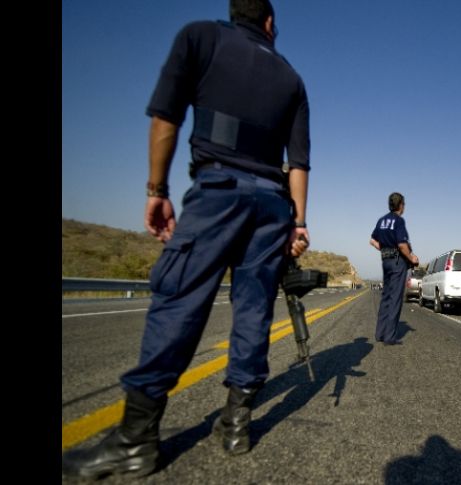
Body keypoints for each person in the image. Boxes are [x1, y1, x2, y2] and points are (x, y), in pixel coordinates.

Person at [62, 1, 311, 478]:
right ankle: (237, 424)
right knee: (254, 307)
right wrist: (297, 224)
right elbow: (298, 163)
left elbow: (166, 119)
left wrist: (157, 190)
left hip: (219, 192)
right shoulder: (292, 79)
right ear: (270, 23)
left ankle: (136, 439)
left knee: (180, 300)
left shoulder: (200, 37)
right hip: (272, 206)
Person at [370, 192, 419, 345]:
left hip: (385, 261)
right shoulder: (399, 221)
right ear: (400, 205)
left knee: (386, 297)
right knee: (395, 298)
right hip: (398, 262)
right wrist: (412, 258)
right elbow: (402, 245)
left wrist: (385, 249)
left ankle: (380, 333)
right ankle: (390, 337)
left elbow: (372, 240)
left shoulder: (382, 220)